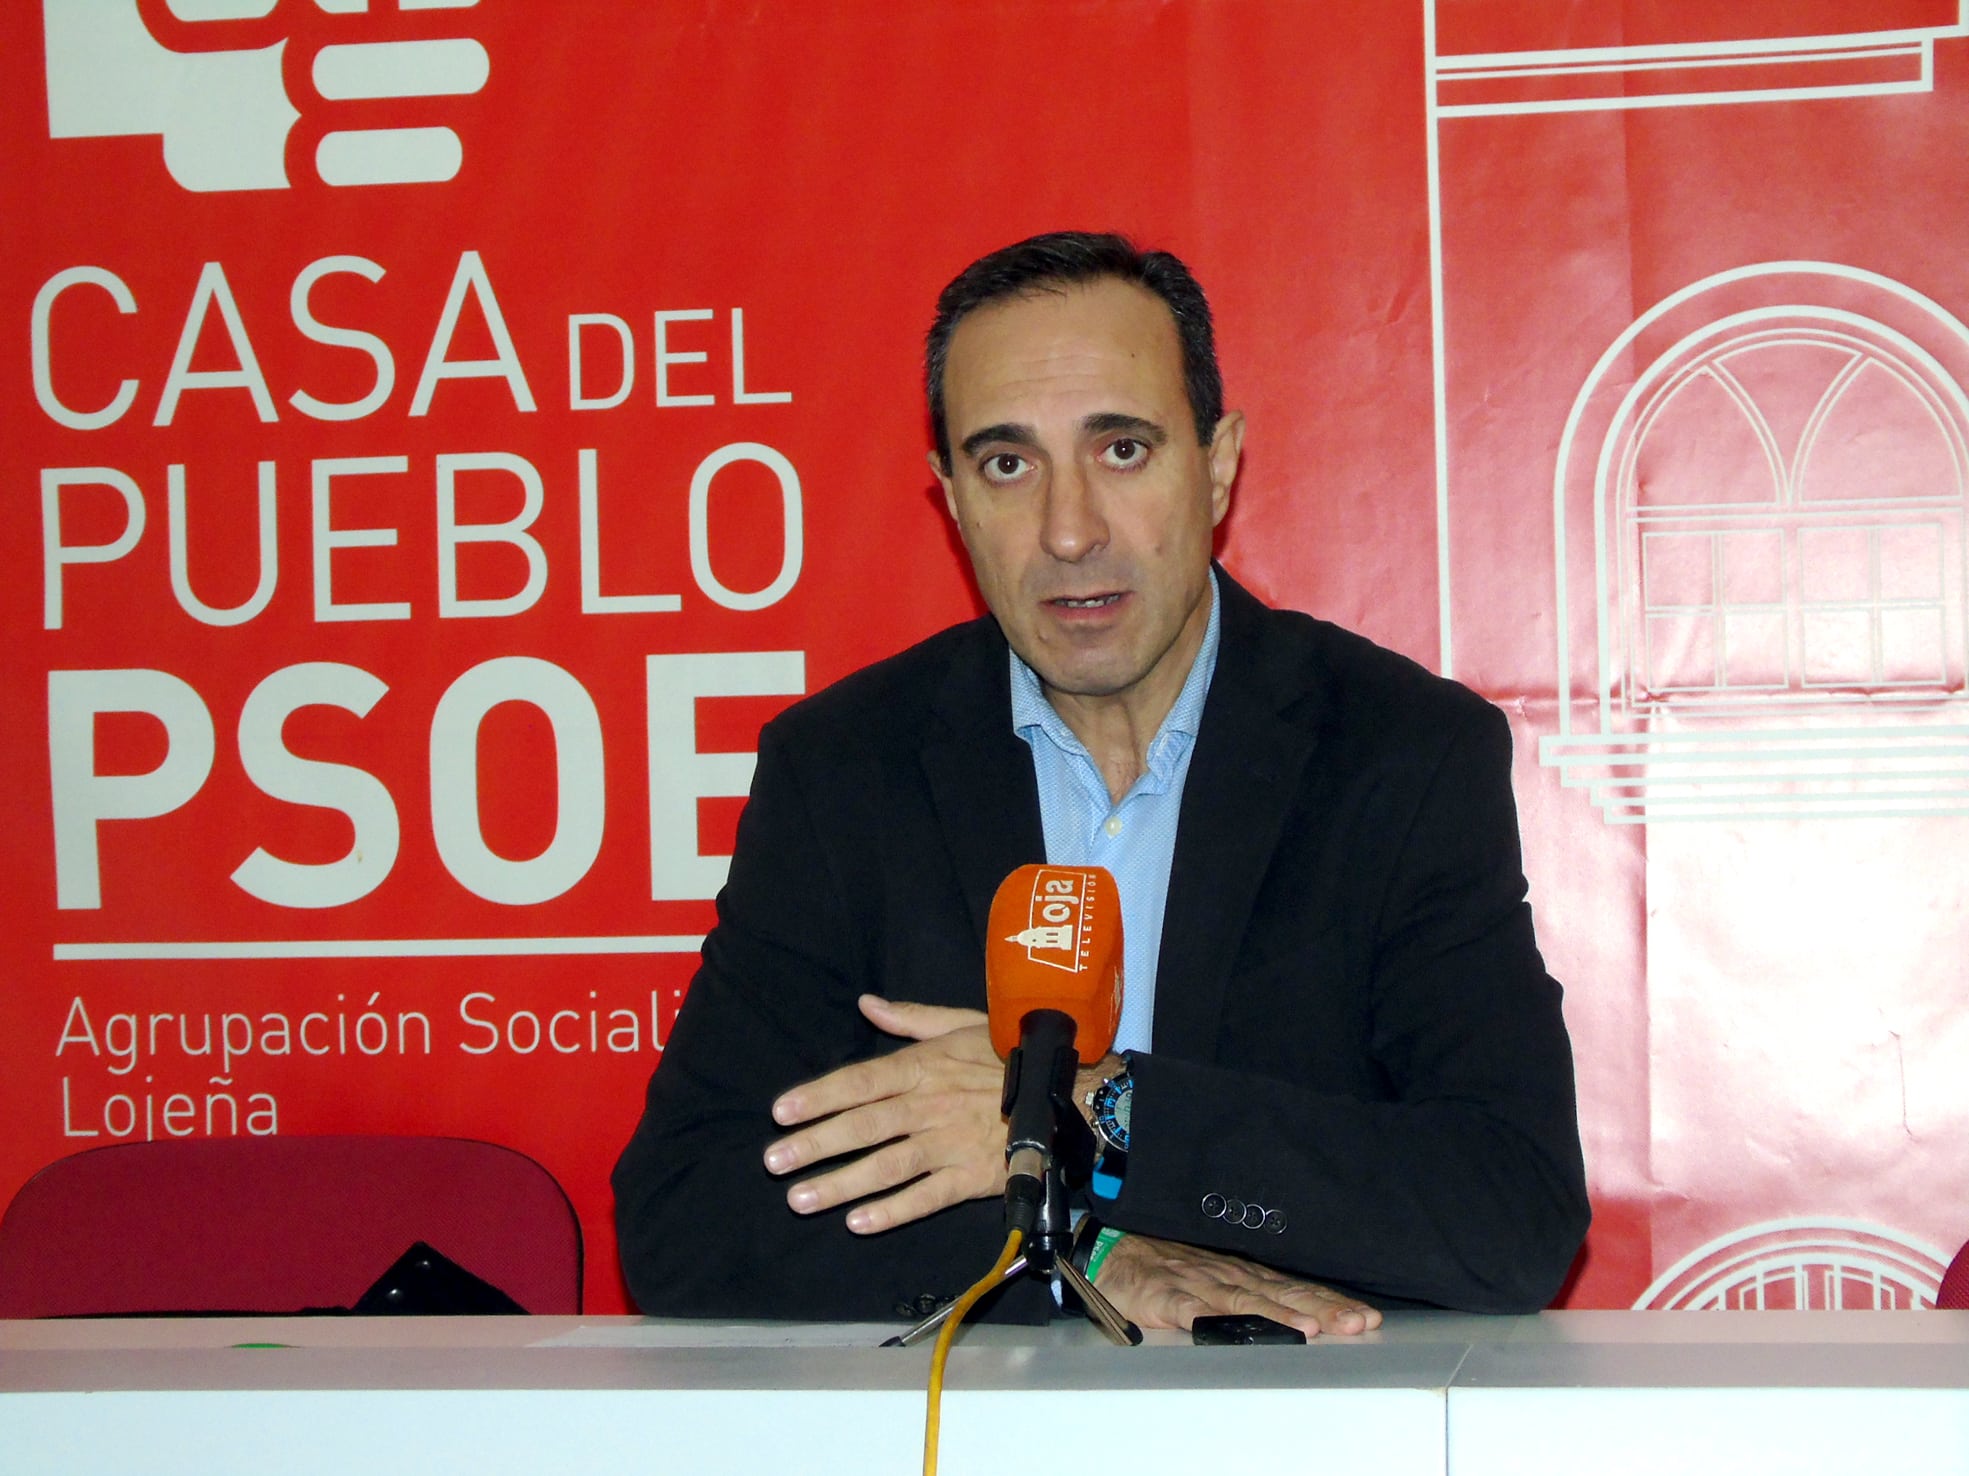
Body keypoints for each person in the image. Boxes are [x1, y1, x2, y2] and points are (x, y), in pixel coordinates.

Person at [612, 232, 1589, 1333]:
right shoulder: (844, 770)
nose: (1069, 532)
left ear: (1218, 463)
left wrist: (1088, 1115)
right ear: (948, 497)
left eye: (1121, 451)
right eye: (1006, 464)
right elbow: (685, 1216)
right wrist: (1080, 1251)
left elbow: (1509, 1210)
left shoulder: (1398, 753)